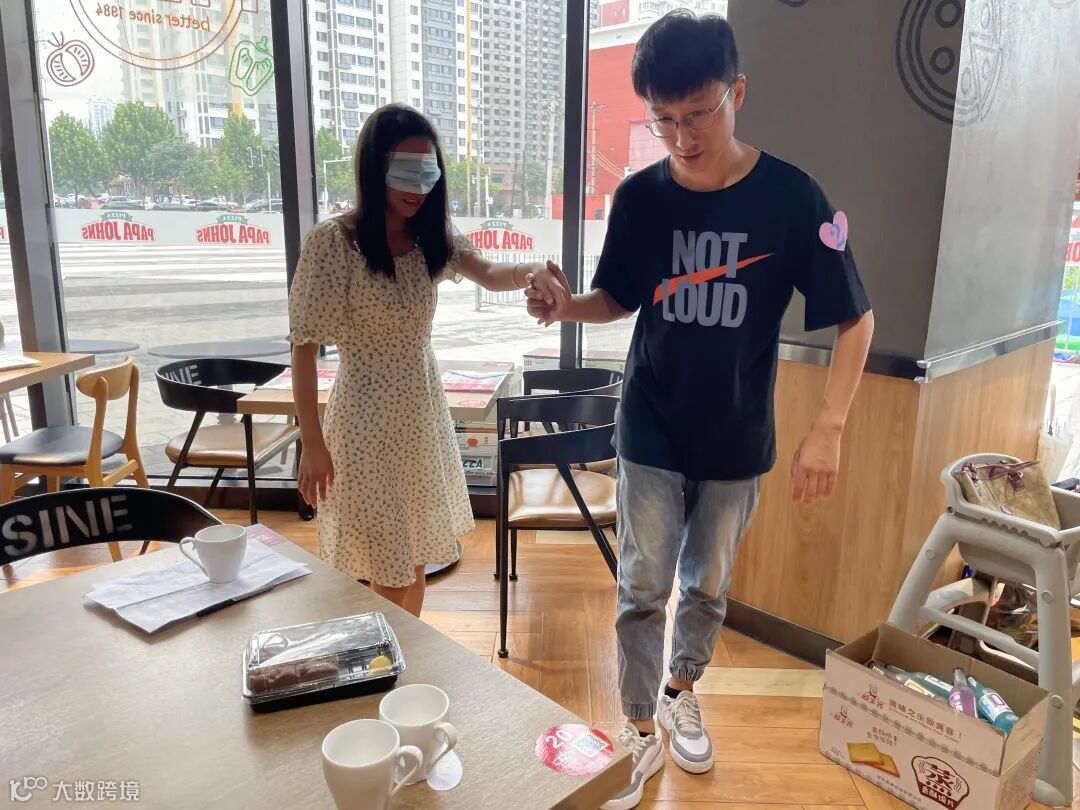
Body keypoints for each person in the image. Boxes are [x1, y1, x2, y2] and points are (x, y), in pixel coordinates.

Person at [527, 12, 874, 810]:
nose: (682, 138)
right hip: (650, 422)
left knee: (708, 585)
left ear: (736, 93)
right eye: (664, 120)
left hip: (738, 434)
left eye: (697, 115)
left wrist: (828, 429)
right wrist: (565, 308)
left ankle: (682, 690)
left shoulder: (792, 198)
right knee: (643, 583)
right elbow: (619, 297)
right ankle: (638, 727)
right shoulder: (640, 198)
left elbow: (856, 319)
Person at [288, 104, 569, 618]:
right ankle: (378, 657)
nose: (417, 185)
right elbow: (303, 346)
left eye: (428, 170)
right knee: (385, 568)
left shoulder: (429, 235)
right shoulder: (333, 242)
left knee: (413, 562)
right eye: (404, 169)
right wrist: (312, 442)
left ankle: (399, 658)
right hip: (364, 424)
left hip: (421, 417)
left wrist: (531, 269)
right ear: (374, 166)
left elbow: (488, 271)